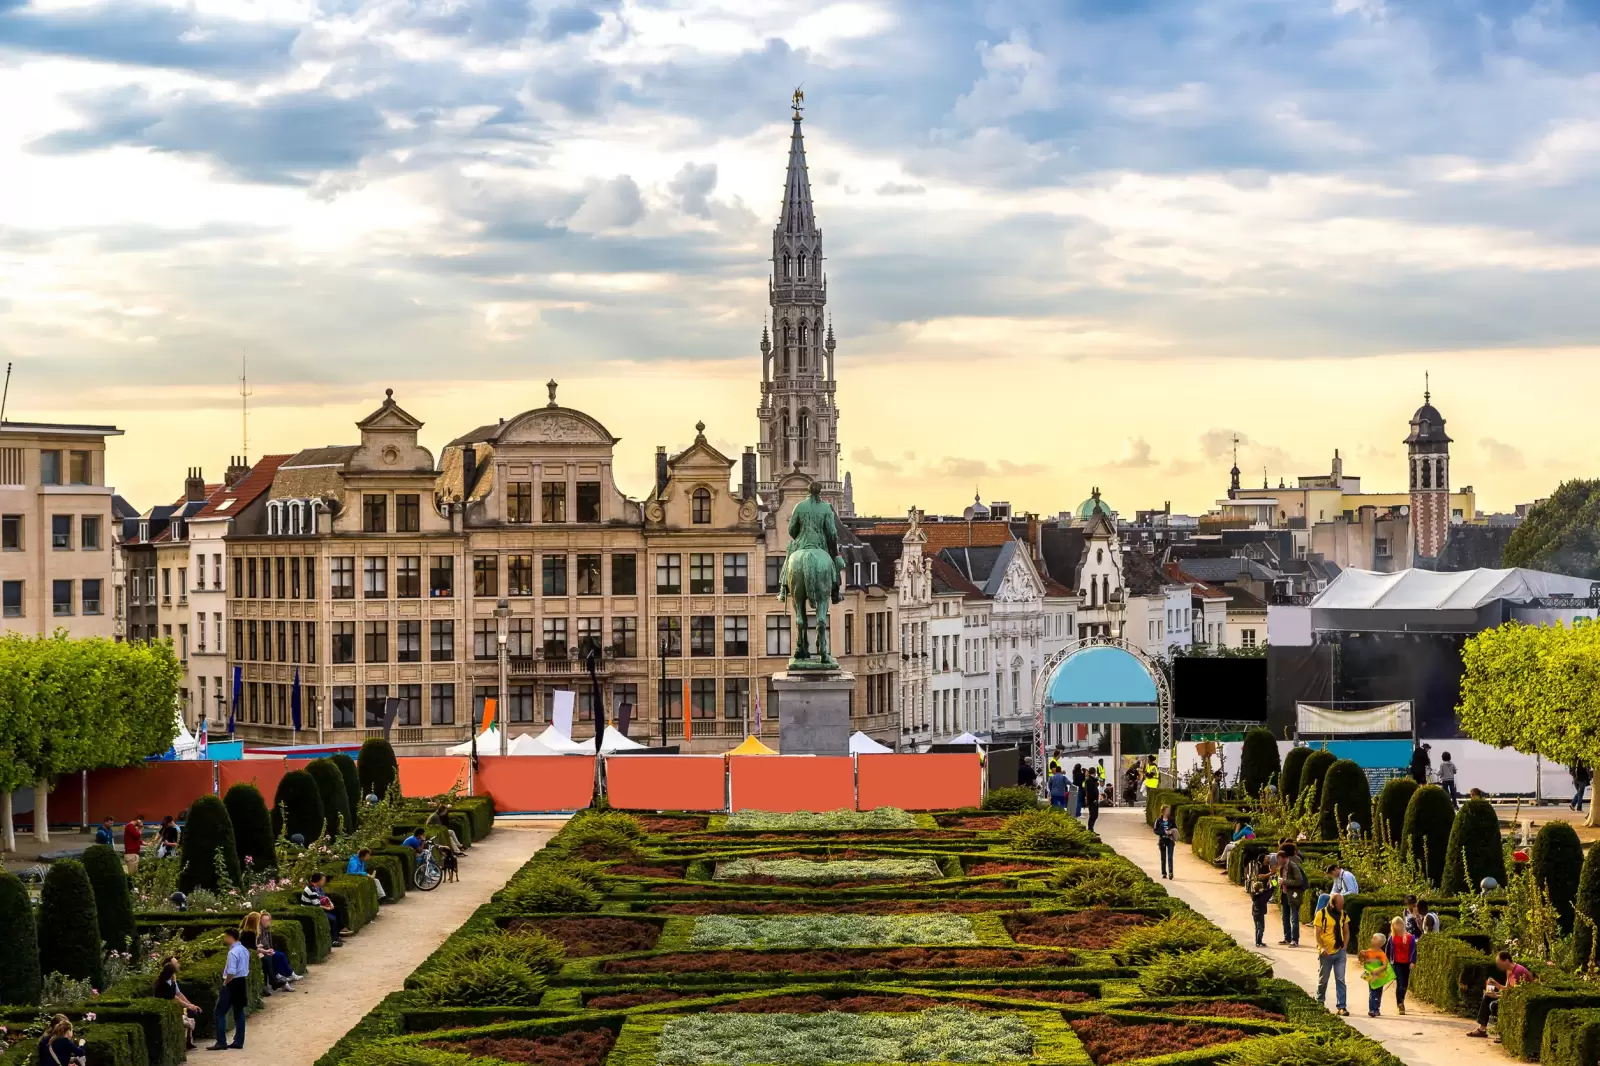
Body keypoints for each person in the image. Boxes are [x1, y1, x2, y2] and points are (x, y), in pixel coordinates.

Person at [1468, 951, 1533, 1038]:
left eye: (1499, 963)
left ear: (1506, 960)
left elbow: (1515, 995)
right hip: (1512, 996)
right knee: (1487, 996)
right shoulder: (1509, 970)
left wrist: (1496, 996)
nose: (1499, 966)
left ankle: (1501, 1032)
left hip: (1519, 1000)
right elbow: (1508, 989)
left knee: (1494, 1005)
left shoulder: (1518, 971)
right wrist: (1496, 985)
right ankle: (1482, 1029)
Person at [209, 928, 250, 1050]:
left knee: (219, 1012)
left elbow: (231, 972)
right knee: (239, 1012)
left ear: (230, 937)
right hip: (242, 981)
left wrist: (225, 983)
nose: (224, 939)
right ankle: (239, 1041)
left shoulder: (233, 952)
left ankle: (221, 1041)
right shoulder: (244, 950)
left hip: (232, 983)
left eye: (225, 936)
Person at [152, 956, 202, 1050]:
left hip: (173, 1008)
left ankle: (188, 1042)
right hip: (167, 1009)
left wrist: (191, 1005)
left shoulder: (172, 981)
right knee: (188, 1022)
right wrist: (189, 1006)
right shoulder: (163, 983)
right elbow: (174, 997)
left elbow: (178, 994)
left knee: (190, 1018)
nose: (178, 965)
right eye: (175, 963)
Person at [1314, 892, 1351, 1016]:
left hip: (1339, 951)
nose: (1342, 907)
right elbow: (1317, 933)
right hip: (1326, 953)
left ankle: (1342, 1007)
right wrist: (1321, 947)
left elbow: (1346, 931)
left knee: (1340, 979)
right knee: (1323, 979)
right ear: (1332, 904)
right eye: (1340, 904)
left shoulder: (1343, 915)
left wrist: (1344, 947)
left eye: (1342, 904)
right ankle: (1320, 1002)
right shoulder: (1321, 914)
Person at [257, 913, 302, 990]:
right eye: (264, 920)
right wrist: (267, 951)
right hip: (263, 953)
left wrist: (270, 950)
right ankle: (286, 977)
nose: (266, 922)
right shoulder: (259, 931)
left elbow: (269, 944)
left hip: (267, 951)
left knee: (280, 955)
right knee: (278, 956)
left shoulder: (267, 930)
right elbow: (257, 946)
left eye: (267, 920)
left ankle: (285, 978)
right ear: (260, 920)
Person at [300, 872, 343, 947]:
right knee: (332, 919)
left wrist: (330, 904)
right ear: (318, 881)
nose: (324, 882)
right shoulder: (311, 889)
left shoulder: (318, 888)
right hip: (311, 911)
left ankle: (337, 935)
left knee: (337, 911)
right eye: (323, 880)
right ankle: (333, 940)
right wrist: (328, 908)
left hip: (317, 908)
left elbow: (323, 898)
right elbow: (317, 905)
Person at [1359, 932, 1395, 1018]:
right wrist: (1361, 955)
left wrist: (1377, 970)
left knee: (1377, 993)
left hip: (1379, 976)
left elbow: (1385, 965)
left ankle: (1375, 1009)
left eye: (1374, 938)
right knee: (1372, 992)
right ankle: (1373, 1010)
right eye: (1372, 938)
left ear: (1379, 943)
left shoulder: (1381, 953)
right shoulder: (1368, 951)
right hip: (1370, 976)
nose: (1372, 939)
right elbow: (1361, 960)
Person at [1386, 915, 1416, 1016]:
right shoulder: (1392, 937)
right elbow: (1388, 951)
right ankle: (1400, 1004)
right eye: (1395, 924)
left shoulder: (1409, 937)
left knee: (1405, 984)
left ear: (1402, 924)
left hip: (1406, 963)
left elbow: (1413, 950)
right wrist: (1387, 963)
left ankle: (1401, 999)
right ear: (1393, 926)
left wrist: (1412, 961)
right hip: (1396, 963)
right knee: (1400, 984)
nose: (1397, 926)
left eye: (1399, 924)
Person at [1278, 844, 1307, 947]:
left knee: (1294, 918)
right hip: (1284, 895)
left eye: (1279, 859)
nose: (1278, 861)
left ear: (1284, 858)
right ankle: (1287, 938)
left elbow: (1299, 881)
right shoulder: (1282, 868)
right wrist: (1274, 882)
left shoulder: (1293, 866)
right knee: (1285, 918)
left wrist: (1285, 882)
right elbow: (1280, 882)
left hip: (1293, 895)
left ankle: (1295, 940)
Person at [1249, 866, 1273, 947]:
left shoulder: (1254, 895)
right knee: (1261, 928)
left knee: (1257, 928)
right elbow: (1270, 891)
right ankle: (1259, 942)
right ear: (1259, 889)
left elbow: (1266, 891)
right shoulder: (1262, 898)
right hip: (1260, 914)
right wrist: (1273, 881)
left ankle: (1257, 942)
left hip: (1254, 914)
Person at [1153, 804, 1178, 880]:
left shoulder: (1171, 820)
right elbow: (1155, 830)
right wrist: (1164, 832)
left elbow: (1175, 828)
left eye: (1169, 810)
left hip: (1170, 840)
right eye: (1167, 810)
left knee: (1170, 857)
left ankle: (1171, 873)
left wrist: (1171, 831)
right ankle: (1164, 873)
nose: (1168, 812)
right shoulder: (1159, 820)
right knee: (1163, 858)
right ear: (1163, 811)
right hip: (1162, 840)